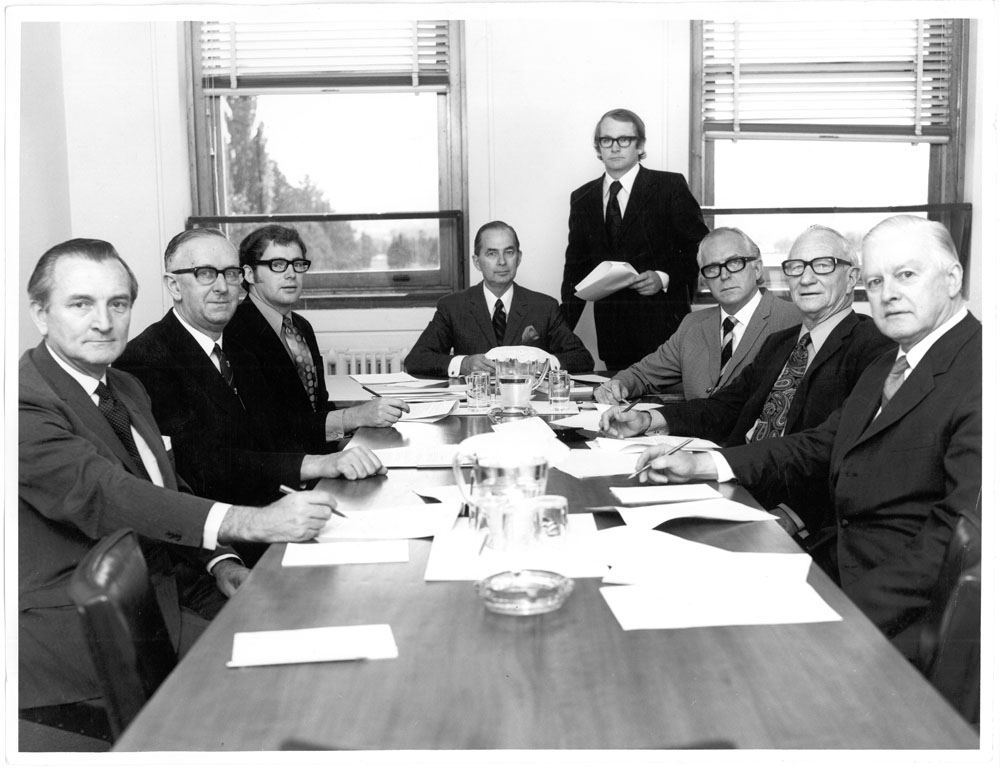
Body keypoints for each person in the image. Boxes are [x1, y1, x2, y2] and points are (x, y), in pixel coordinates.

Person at [19, 238, 340, 730]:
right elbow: (106, 493)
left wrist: (220, 560)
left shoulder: (123, 386)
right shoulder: (21, 401)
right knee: (288, 699)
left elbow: (168, 486)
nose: (104, 321)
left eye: (118, 304)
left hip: (175, 588)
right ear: (41, 314)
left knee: (320, 642)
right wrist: (249, 522)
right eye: (81, 304)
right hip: (89, 633)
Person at [629, 216, 981, 661]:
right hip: (837, 562)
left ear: (952, 279)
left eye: (905, 274)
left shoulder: (980, 370)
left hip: (900, 612)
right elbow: (818, 443)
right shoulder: (891, 363)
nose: (888, 293)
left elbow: (958, 537)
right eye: (876, 281)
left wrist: (840, 613)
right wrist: (702, 464)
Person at [600, 225, 894, 540]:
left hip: (792, 514)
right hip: (733, 486)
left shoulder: (875, 346)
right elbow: (724, 407)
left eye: (823, 265)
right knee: (613, 520)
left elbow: (833, 448)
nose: (806, 278)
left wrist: (793, 516)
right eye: (796, 268)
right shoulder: (780, 344)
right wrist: (647, 419)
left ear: (852, 278)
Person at [115, 228, 385, 512]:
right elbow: (201, 464)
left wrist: (344, 443)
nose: (222, 287)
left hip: (281, 499)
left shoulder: (239, 345)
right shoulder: (145, 358)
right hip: (225, 527)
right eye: (205, 273)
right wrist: (319, 464)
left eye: (231, 274)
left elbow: (276, 428)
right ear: (173, 285)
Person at [226, 224, 409, 453]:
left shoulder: (301, 327)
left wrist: (346, 444)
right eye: (278, 265)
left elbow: (318, 412)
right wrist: (354, 417)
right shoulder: (235, 332)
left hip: (319, 457)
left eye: (298, 264)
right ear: (250, 274)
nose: (291, 274)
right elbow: (268, 427)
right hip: (281, 471)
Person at [561, 108, 709, 370]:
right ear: (598, 146)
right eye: (607, 140)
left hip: (665, 330)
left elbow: (701, 249)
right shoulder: (582, 197)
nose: (615, 147)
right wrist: (558, 334)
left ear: (639, 144)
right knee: (617, 405)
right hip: (613, 336)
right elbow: (575, 268)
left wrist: (664, 277)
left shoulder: (669, 186)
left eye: (624, 139)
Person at [594, 227, 800, 403]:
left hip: (755, 447)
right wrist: (617, 385)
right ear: (704, 280)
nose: (725, 275)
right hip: (691, 442)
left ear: (757, 269)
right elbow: (642, 374)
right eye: (712, 268)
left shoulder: (795, 320)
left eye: (735, 262)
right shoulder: (693, 325)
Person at [404, 221, 594, 377]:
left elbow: (583, 359)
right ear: (477, 262)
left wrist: (544, 364)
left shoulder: (544, 306)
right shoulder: (453, 307)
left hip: (528, 407)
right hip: (474, 408)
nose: (502, 261)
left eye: (509, 252)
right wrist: (464, 364)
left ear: (518, 258)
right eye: (492, 253)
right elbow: (416, 360)